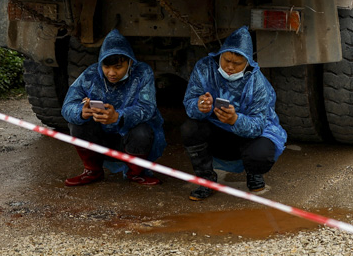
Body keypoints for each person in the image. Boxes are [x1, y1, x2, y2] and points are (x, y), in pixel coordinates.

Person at [181, 26, 286, 200]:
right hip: (216, 129)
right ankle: (206, 179)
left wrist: (236, 120)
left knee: (261, 153)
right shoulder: (205, 68)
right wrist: (200, 106)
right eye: (226, 60)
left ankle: (254, 172)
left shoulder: (257, 82)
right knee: (189, 128)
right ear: (220, 55)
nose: (230, 67)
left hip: (245, 135)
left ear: (247, 63)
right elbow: (189, 100)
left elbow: (259, 124)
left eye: (237, 64)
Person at [60, 29, 166, 186]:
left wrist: (119, 116)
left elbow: (148, 107)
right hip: (101, 137)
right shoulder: (90, 74)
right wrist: (81, 112)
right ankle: (92, 170)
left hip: (128, 137)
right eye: (106, 66)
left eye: (118, 67)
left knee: (143, 131)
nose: (111, 73)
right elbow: (67, 106)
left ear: (130, 62)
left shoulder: (142, 73)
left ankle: (135, 173)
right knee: (77, 124)